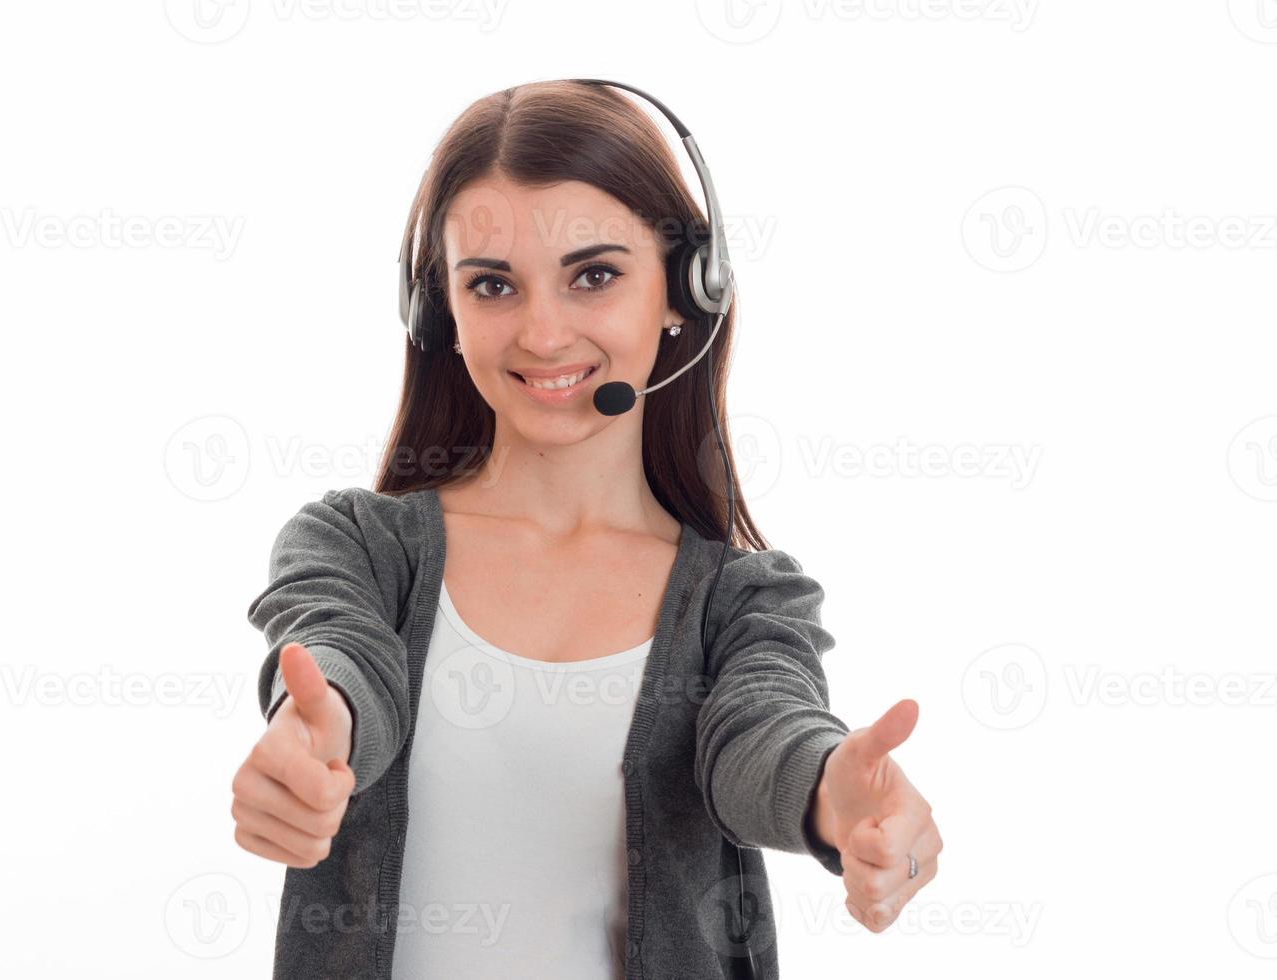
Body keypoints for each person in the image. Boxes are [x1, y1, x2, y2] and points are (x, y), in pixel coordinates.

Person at [231, 78, 942, 979]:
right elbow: (341, 663)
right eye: (492, 285)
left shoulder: (744, 600)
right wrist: (318, 728)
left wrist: (827, 790)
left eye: (594, 276)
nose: (542, 332)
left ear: (686, 290)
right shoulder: (359, 550)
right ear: (439, 310)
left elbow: (759, 732)